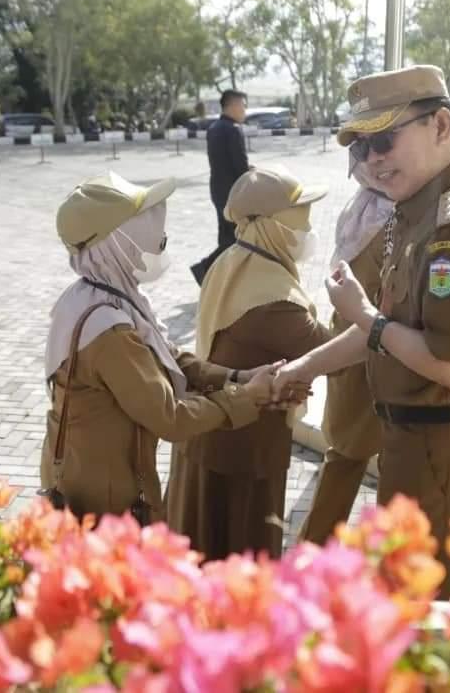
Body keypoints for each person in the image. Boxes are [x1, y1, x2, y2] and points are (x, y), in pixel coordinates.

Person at [273, 65, 450, 598]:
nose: (373, 160)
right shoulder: (415, 211)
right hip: (416, 444)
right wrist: (304, 367)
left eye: (385, 139)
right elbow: (390, 328)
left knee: (432, 621)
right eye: (361, 148)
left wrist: (365, 315)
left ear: (441, 125)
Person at [41, 172, 285, 523]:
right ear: (115, 242)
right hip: (107, 505)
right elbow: (170, 418)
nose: (156, 238)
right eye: (141, 228)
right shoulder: (108, 329)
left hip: (88, 477)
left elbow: (166, 355)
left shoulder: (98, 295)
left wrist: (238, 377)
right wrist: (249, 397)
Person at [166, 166, 330, 559]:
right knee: (239, 558)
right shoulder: (274, 299)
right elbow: (329, 349)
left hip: (211, 436)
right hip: (242, 451)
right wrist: (358, 309)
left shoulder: (234, 258)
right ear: (273, 226)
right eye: (299, 220)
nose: (308, 231)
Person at [299, 163, 394, 545]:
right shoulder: (367, 208)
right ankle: (313, 553)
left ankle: (390, 563)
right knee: (345, 455)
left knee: (393, 464)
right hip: (356, 348)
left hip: (391, 350)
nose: (367, 162)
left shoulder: (401, 212)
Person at [190, 90, 250, 285]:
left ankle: (218, 276)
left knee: (227, 236)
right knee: (235, 239)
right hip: (233, 193)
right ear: (232, 106)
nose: (245, 110)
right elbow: (240, 166)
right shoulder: (233, 129)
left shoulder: (214, 128)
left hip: (218, 190)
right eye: (243, 105)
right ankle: (205, 270)